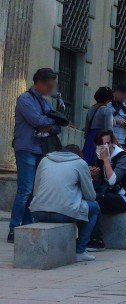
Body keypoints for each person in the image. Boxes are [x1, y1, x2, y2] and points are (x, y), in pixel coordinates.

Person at [8, 68, 62, 242]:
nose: (50, 89)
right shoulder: (25, 99)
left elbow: (57, 125)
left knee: (34, 192)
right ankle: (14, 228)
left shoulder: (45, 102)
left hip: (41, 149)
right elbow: (37, 121)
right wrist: (50, 122)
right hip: (26, 148)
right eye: (48, 85)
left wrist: (50, 123)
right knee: (25, 190)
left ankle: (27, 225)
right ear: (38, 82)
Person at [29, 144, 100, 262]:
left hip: (38, 211)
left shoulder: (45, 160)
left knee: (80, 206)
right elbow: (91, 196)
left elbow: (36, 190)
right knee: (95, 208)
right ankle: (80, 250)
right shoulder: (80, 163)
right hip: (63, 214)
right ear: (78, 155)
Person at [87, 129, 126, 248]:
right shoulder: (100, 157)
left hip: (124, 198)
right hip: (107, 193)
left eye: (107, 143)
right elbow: (100, 182)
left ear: (113, 142)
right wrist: (93, 174)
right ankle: (85, 237)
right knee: (87, 198)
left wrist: (106, 160)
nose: (103, 147)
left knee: (97, 200)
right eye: (100, 144)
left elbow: (112, 181)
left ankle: (97, 240)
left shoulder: (124, 157)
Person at [82, 87, 114, 165]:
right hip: (100, 140)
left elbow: (86, 129)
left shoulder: (90, 109)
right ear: (108, 99)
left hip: (89, 140)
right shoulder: (106, 110)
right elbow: (109, 130)